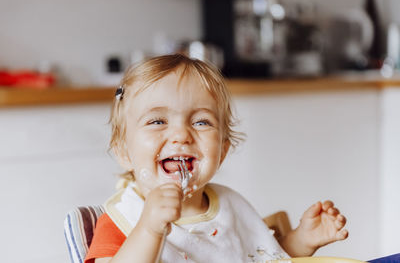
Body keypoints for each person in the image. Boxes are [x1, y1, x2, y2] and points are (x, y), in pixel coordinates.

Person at [85, 54, 348, 263]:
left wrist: (302, 241)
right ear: (122, 152)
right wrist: (149, 229)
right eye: (157, 121)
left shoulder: (230, 207)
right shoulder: (124, 219)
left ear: (222, 152)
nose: (180, 135)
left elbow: (262, 258)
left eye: (201, 122)